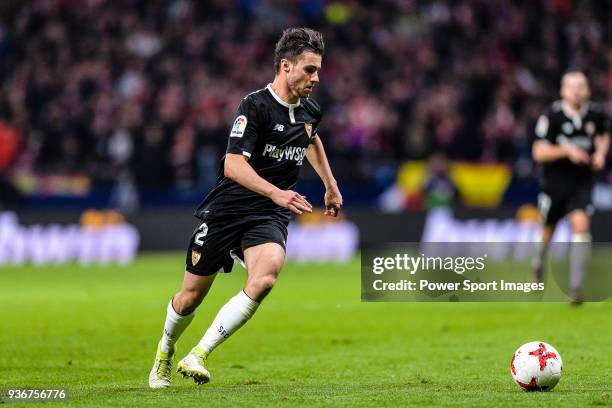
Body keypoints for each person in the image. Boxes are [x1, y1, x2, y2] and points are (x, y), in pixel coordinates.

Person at [148, 27, 343, 388]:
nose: (317, 78)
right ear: (286, 66)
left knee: (266, 277)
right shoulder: (254, 106)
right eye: (309, 70)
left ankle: (199, 354)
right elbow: (232, 165)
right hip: (228, 210)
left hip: (268, 214)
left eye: (318, 70)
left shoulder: (310, 110)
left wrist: (330, 185)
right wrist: (276, 192)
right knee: (190, 297)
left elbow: (311, 140)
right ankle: (165, 349)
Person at [531, 71, 610, 303]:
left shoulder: (595, 114)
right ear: (563, 91)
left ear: (588, 90)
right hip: (555, 183)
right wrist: (567, 151)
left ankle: (575, 287)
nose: (577, 90)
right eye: (572, 86)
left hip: (581, 182)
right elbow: (538, 152)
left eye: (581, 86)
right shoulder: (552, 116)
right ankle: (537, 265)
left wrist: (601, 154)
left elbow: (605, 135)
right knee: (547, 231)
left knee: (581, 225)